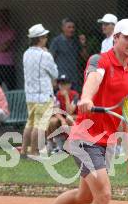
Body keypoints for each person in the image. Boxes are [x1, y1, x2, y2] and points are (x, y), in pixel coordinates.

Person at [22, 19, 128, 204]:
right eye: (127, 38)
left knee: (85, 197)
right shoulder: (100, 59)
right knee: (104, 194)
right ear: (116, 39)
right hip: (84, 138)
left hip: (106, 142)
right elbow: (93, 79)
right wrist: (87, 97)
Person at [21, 24, 58, 158]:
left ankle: (24, 151)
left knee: (30, 123)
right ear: (40, 38)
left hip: (30, 95)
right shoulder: (45, 55)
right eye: (45, 36)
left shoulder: (26, 53)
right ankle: (34, 151)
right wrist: (47, 53)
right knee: (40, 124)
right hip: (43, 95)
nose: (46, 38)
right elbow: (55, 73)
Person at [50, 18, 88, 91]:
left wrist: (83, 44)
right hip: (61, 78)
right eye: (69, 27)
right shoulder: (56, 41)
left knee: (74, 100)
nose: (71, 29)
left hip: (74, 77)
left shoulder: (76, 41)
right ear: (63, 28)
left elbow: (85, 58)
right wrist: (53, 78)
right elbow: (50, 59)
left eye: (73, 27)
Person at [46, 74, 79, 153]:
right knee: (52, 121)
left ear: (70, 85)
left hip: (75, 117)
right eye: (60, 84)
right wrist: (61, 120)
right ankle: (59, 146)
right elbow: (55, 110)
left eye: (64, 84)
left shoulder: (75, 95)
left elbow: (70, 112)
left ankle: (74, 145)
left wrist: (66, 96)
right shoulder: (57, 94)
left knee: (69, 118)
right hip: (64, 117)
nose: (62, 86)